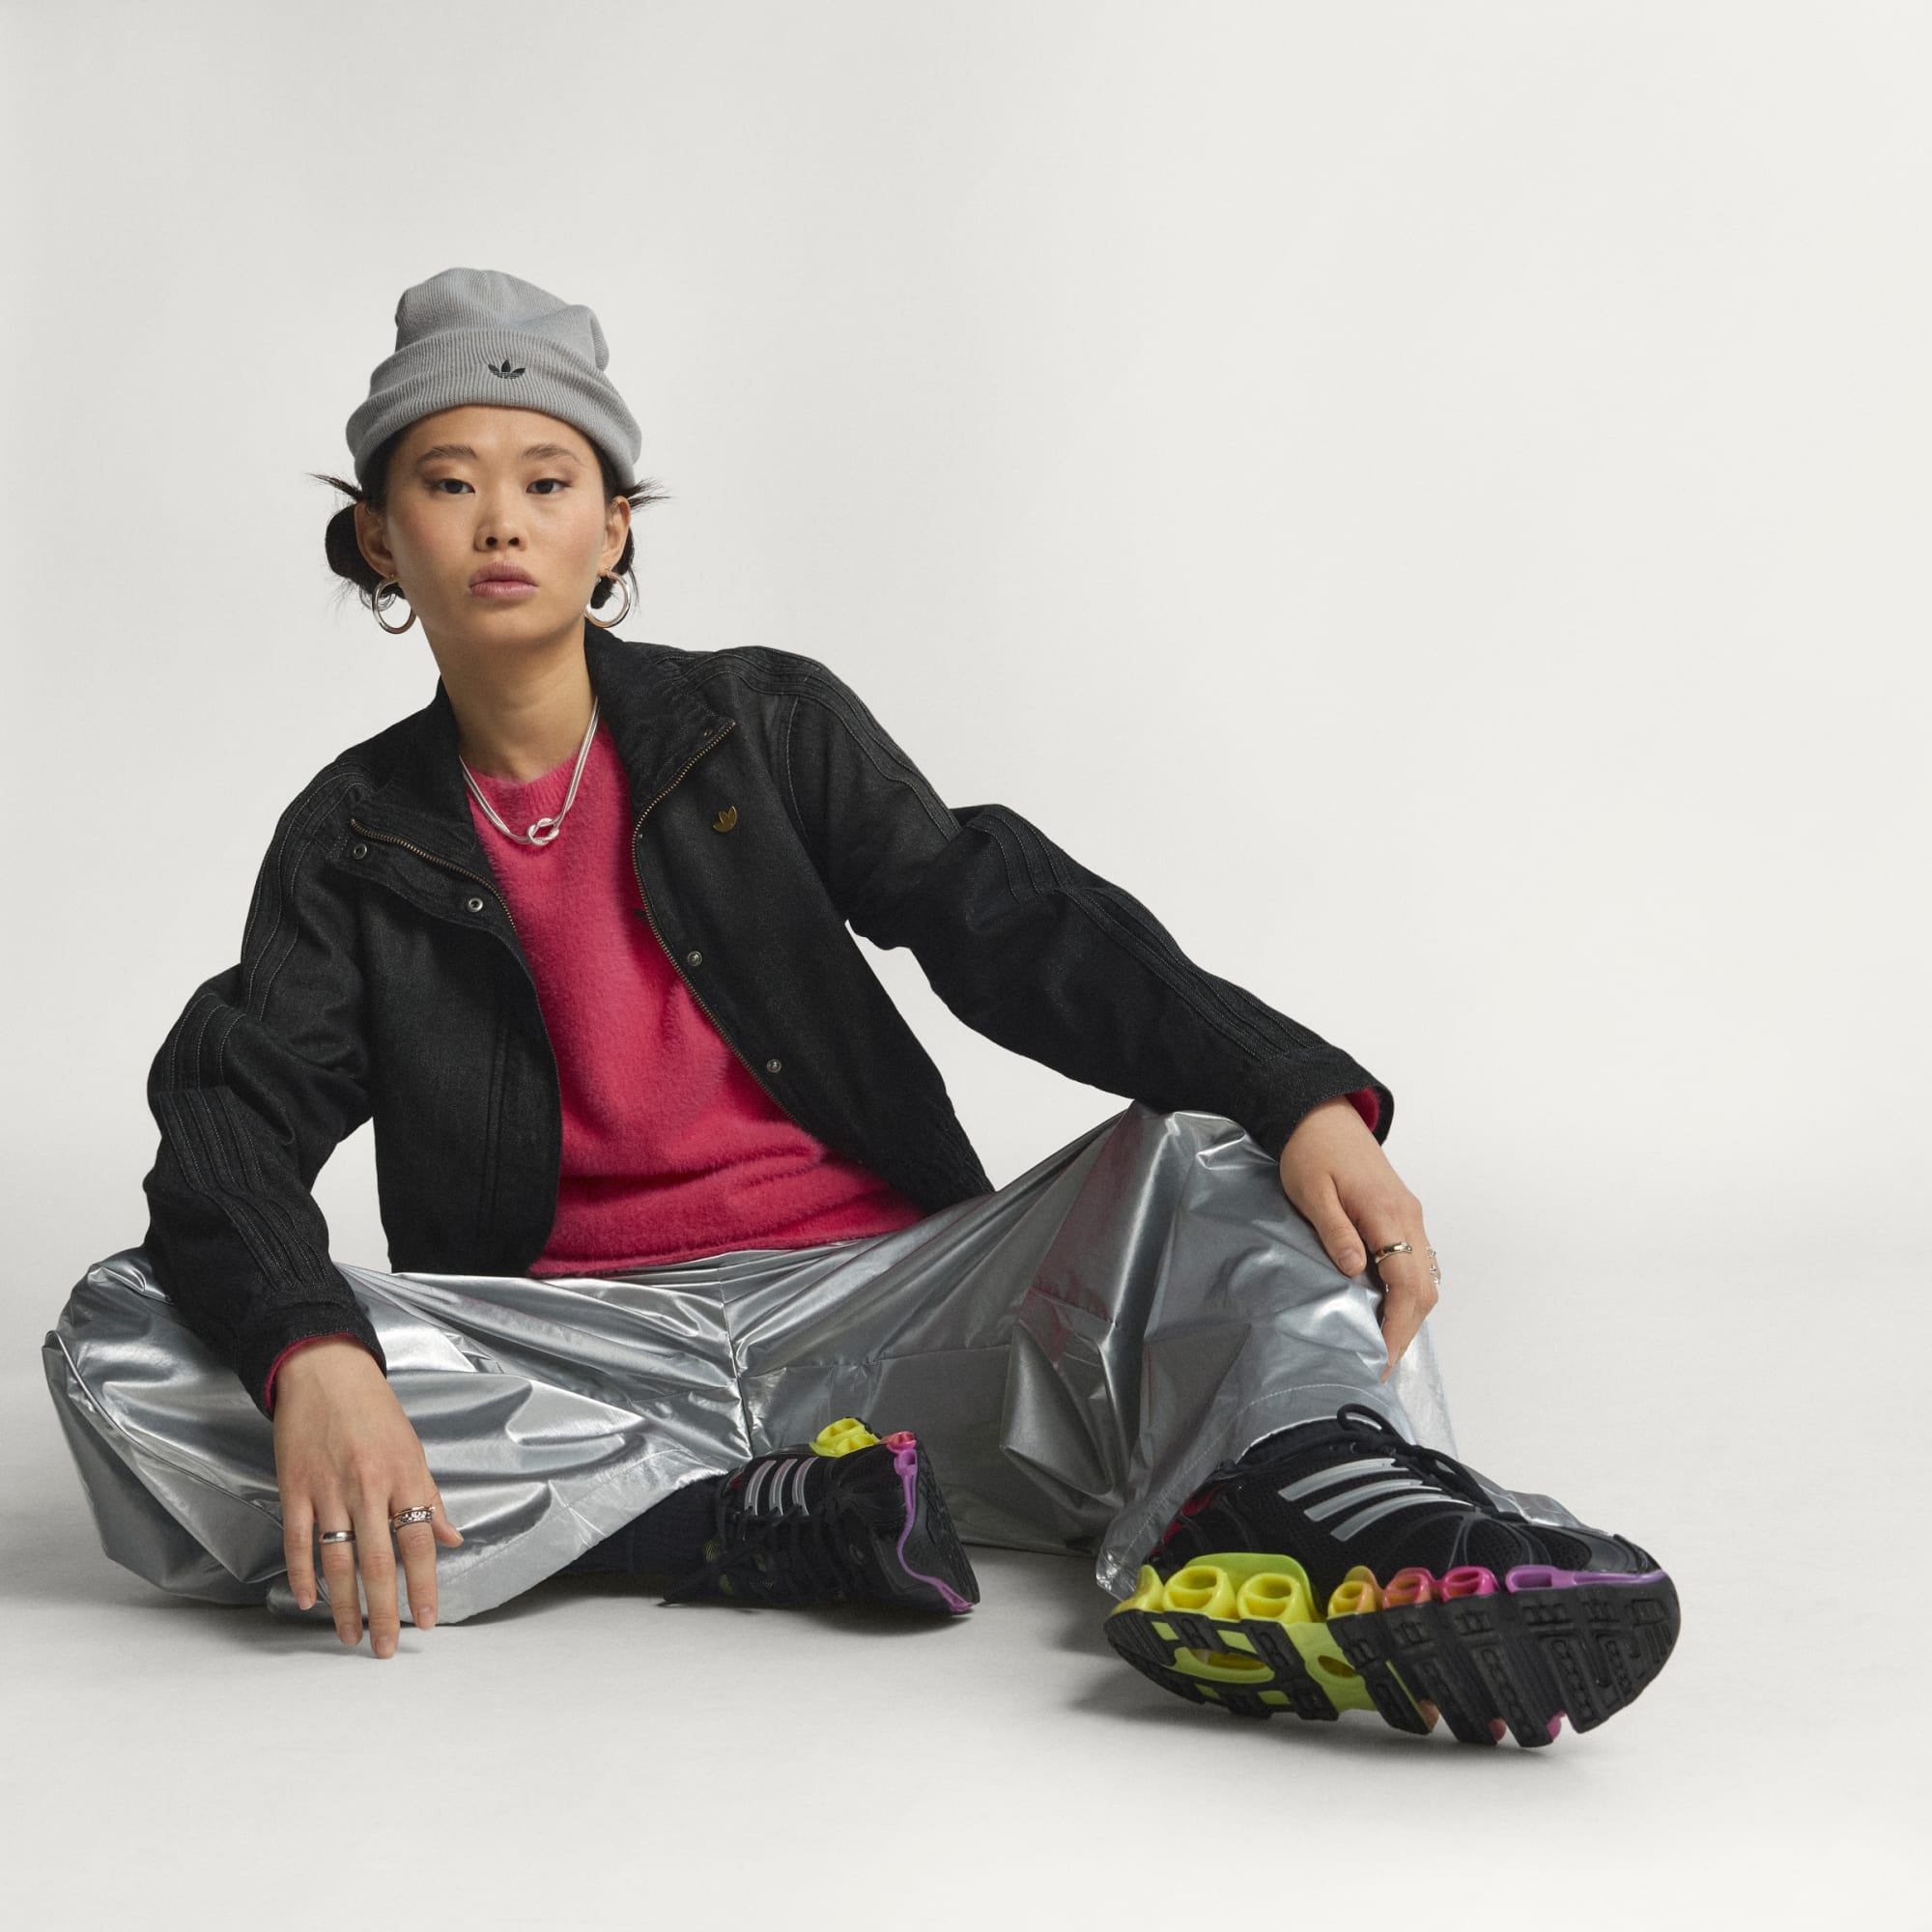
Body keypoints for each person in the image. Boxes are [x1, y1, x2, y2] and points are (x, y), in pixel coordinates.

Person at [43, 267, 1678, 1747]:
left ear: (614, 530)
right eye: (448, 483)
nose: (500, 524)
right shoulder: (352, 837)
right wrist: (315, 1352)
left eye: (548, 482)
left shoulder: (755, 725)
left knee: (1210, 1148)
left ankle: (1325, 1514)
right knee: (131, 1333)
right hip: (591, 1362)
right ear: (378, 541)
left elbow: (1003, 919)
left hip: (893, 1314)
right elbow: (233, 1115)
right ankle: (741, 1524)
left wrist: (1298, 1088)